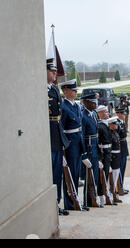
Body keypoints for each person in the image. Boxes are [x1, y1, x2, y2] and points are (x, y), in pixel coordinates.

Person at [60, 79, 92, 211]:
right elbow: (61, 128)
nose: (75, 92)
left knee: (76, 173)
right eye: (73, 90)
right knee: (70, 174)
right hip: (70, 143)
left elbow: (80, 128)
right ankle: (70, 203)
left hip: (78, 142)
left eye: (75, 90)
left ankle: (75, 201)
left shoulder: (75, 106)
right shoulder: (64, 107)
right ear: (65, 91)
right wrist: (63, 146)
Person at [47, 58, 70, 216]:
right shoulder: (42, 89)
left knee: (58, 173)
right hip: (48, 134)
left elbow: (59, 115)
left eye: (55, 71)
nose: (55, 74)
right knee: (50, 174)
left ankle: (56, 202)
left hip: (57, 134)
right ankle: (51, 204)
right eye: (52, 71)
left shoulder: (54, 90)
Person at [81, 94, 103, 208]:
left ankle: (93, 197)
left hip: (94, 147)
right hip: (88, 148)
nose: (95, 104)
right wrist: (84, 154)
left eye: (96, 102)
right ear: (86, 103)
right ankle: (87, 200)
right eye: (93, 102)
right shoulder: (83, 116)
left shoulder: (94, 114)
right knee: (88, 175)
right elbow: (82, 135)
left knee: (95, 174)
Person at [96, 105, 118, 206]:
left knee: (106, 176)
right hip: (103, 153)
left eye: (107, 111)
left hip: (108, 152)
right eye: (104, 112)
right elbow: (98, 143)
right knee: (102, 177)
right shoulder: (100, 126)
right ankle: (101, 196)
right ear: (99, 114)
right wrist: (99, 158)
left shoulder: (106, 124)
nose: (107, 113)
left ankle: (106, 194)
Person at [108, 116, 123, 203]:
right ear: (110, 124)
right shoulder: (110, 134)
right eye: (114, 124)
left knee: (116, 176)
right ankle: (110, 195)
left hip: (117, 157)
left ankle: (113, 194)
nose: (116, 126)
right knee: (112, 178)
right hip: (113, 158)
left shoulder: (115, 133)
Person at [115, 106, 130, 195]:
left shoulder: (122, 123)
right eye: (123, 113)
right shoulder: (116, 123)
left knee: (123, 169)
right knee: (119, 169)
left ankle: (121, 186)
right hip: (119, 149)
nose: (124, 115)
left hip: (124, 148)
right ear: (118, 114)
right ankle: (118, 187)